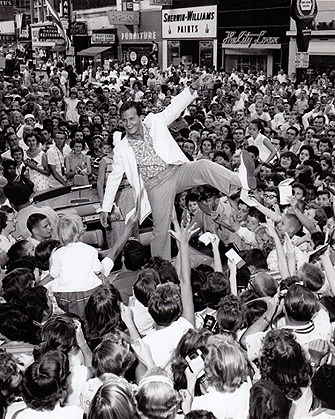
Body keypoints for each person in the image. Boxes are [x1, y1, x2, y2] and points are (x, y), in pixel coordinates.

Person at [100, 73, 256, 260]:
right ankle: (160, 265)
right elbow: (114, 177)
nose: (128, 124)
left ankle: (240, 181)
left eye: (132, 119)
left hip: (175, 170)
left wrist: (195, 86)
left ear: (140, 117)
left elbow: (174, 108)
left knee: (203, 166)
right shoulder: (122, 148)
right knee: (161, 229)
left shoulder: (154, 121)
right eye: (124, 121)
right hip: (155, 185)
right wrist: (105, 208)